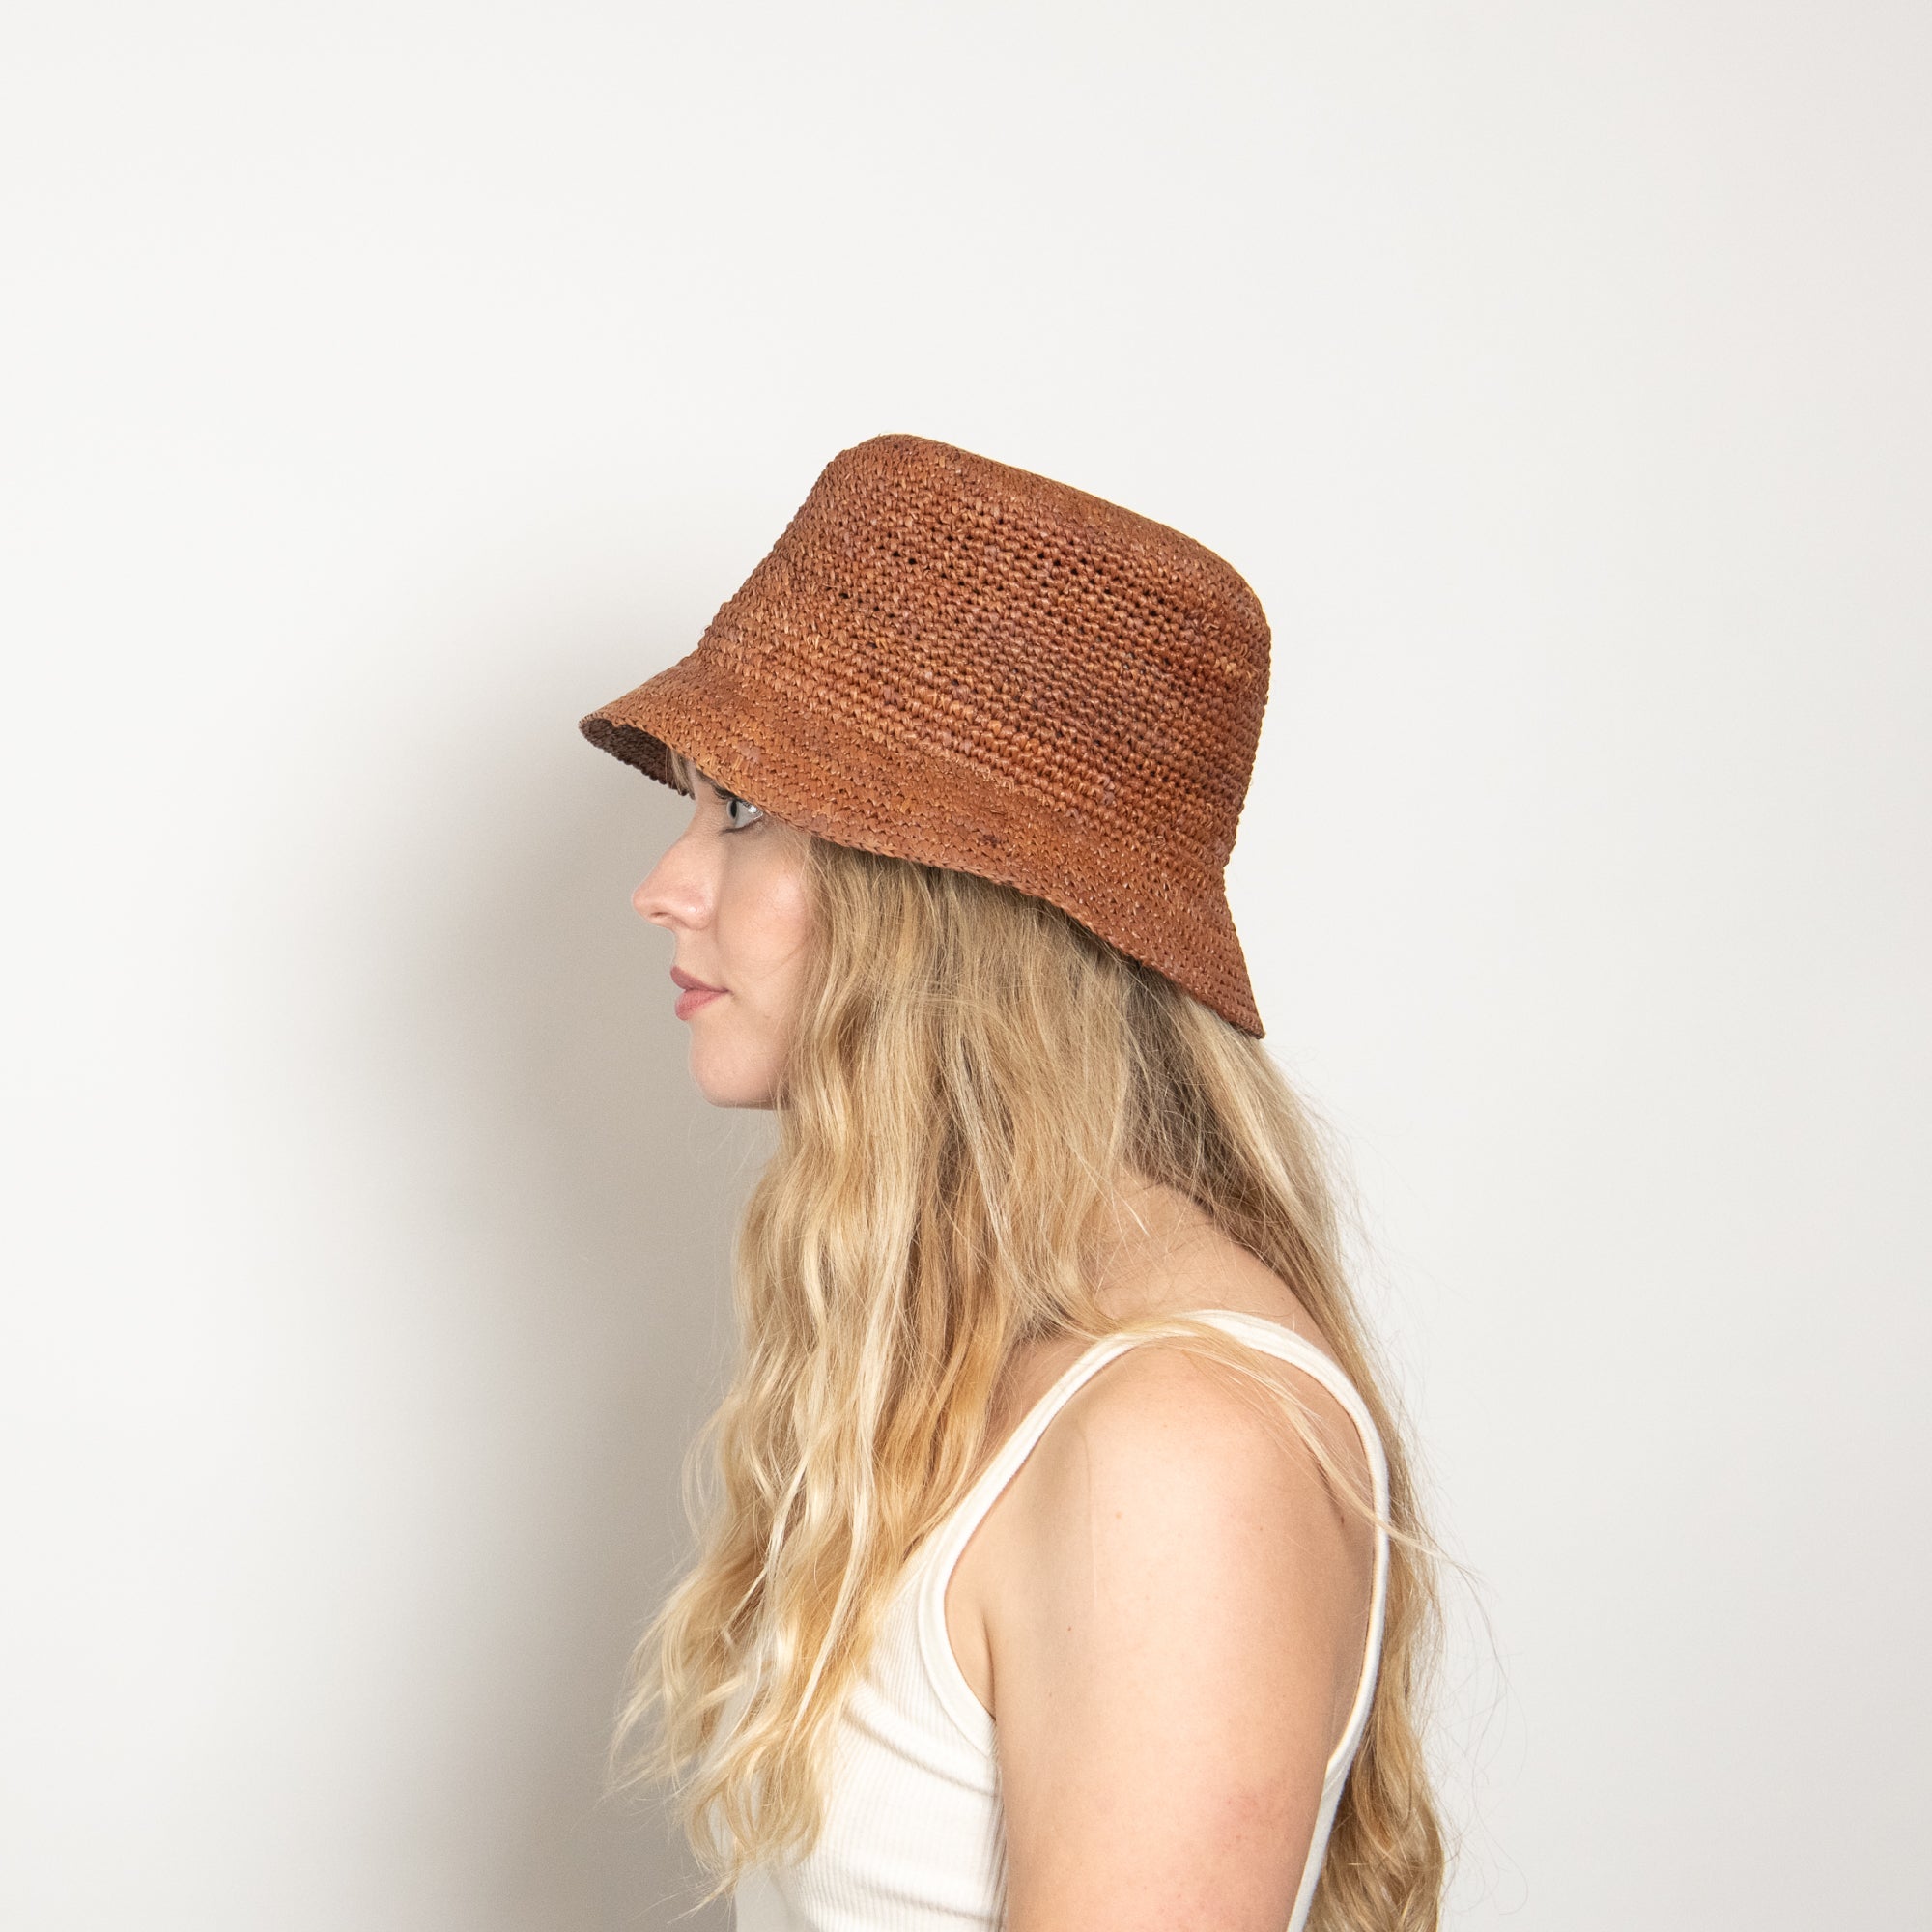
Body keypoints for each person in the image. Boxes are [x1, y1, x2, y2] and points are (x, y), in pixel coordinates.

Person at [579, 434, 1445, 1932]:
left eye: (743, 812)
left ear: (940, 895)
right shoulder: (969, 1350)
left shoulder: (1176, 1448)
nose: (667, 882)